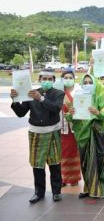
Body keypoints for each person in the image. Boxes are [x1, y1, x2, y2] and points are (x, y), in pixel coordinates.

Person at [10, 69, 65, 203]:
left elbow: (56, 108)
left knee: (54, 163)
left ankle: (56, 192)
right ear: (39, 79)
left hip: (53, 132)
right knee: (37, 164)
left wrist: (40, 98)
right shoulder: (31, 93)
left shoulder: (58, 93)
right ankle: (39, 192)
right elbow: (21, 113)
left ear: (53, 80)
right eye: (44, 79)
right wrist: (15, 101)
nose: (46, 81)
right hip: (36, 133)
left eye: (49, 79)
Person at [67, 74, 104, 199]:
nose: (87, 85)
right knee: (85, 163)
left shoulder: (98, 97)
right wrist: (70, 114)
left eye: (90, 82)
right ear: (81, 84)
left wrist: (97, 112)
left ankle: (101, 189)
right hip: (81, 135)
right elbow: (69, 116)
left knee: (97, 161)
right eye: (85, 82)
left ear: (94, 83)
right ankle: (88, 188)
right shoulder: (78, 97)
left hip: (94, 133)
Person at [60, 71, 81, 187]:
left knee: (73, 152)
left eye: (70, 77)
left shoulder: (79, 92)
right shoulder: (59, 92)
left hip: (75, 127)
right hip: (61, 127)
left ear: (74, 79)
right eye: (66, 77)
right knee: (62, 153)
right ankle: (62, 178)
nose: (68, 79)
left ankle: (73, 178)